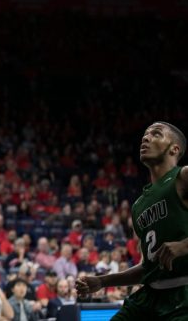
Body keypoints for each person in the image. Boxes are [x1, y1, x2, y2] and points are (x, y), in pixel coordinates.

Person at [76, 122, 188, 320]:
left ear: (174, 149)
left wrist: (184, 246)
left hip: (183, 294)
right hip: (148, 296)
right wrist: (102, 281)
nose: (145, 138)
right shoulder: (138, 205)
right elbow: (147, 267)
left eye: (156, 134)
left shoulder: (183, 176)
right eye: (145, 135)